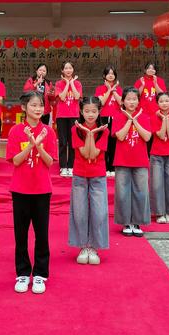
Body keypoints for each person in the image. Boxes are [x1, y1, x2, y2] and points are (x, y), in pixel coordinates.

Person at [6, 91, 57, 294]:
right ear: (24, 107)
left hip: (42, 190)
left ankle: (40, 274)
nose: (38, 109)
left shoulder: (49, 132)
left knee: (42, 234)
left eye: (40, 106)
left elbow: (49, 161)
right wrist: (31, 144)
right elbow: (16, 161)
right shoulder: (16, 131)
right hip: (20, 189)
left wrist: (38, 143)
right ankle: (22, 273)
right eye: (33, 105)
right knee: (21, 234)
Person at [69, 96, 109, 265]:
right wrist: (88, 133)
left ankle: (94, 246)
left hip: (98, 175)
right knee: (79, 211)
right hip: (80, 175)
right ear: (81, 112)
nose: (90, 115)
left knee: (99, 212)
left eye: (94, 111)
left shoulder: (104, 131)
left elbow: (94, 155)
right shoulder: (75, 129)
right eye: (87, 111)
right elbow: (85, 155)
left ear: (99, 111)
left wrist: (91, 134)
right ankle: (83, 246)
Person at [112, 86, 152, 237]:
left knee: (141, 192)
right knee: (122, 193)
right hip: (122, 160)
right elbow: (120, 136)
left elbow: (147, 137)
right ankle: (126, 223)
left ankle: (137, 222)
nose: (131, 102)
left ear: (138, 101)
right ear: (122, 101)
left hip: (140, 161)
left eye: (134, 99)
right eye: (128, 99)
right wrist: (129, 120)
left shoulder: (145, 116)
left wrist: (135, 120)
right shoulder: (117, 116)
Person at [149, 92, 169, 224]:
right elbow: (161, 135)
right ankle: (159, 213)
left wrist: (167, 118)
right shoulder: (153, 117)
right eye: (161, 101)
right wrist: (164, 119)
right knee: (157, 185)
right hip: (156, 155)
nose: (164, 103)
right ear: (157, 104)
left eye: (166, 101)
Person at [55, 61, 82, 177]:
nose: (68, 70)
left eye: (70, 68)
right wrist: (67, 83)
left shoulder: (78, 84)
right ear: (62, 71)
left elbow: (76, 96)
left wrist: (72, 83)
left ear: (73, 70)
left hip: (74, 116)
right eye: (66, 68)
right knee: (62, 142)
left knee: (72, 142)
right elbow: (61, 97)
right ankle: (63, 167)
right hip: (61, 116)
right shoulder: (58, 84)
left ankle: (71, 166)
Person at [94, 65, 122, 177]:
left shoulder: (119, 89)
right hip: (104, 117)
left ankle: (112, 167)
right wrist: (109, 90)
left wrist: (114, 90)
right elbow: (102, 103)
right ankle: (105, 167)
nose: (111, 75)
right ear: (104, 76)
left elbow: (121, 103)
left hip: (116, 118)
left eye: (113, 73)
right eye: (108, 73)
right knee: (104, 142)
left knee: (113, 143)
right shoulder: (99, 89)